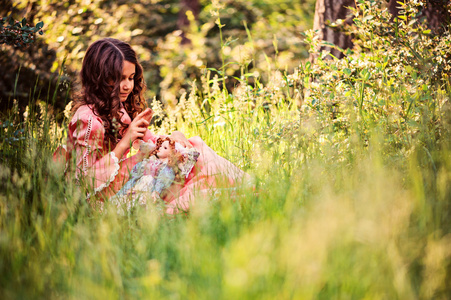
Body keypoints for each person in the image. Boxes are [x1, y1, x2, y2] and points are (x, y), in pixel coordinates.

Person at [66, 38, 250, 214]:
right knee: (170, 175)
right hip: (95, 196)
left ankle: (243, 188)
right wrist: (125, 143)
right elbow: (81, 182)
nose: (127, 86)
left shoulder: (117, 109)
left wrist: (175, 136)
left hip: (117, 179)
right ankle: (238, 192)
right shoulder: (88, 120)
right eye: (119, 78)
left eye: (131, 78)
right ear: (99, 77)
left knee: (190, 147)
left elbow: (155, 143)